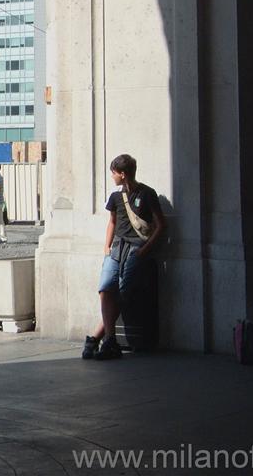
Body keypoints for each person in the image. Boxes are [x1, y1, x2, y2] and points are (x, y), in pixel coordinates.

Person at [82, 153, 165, 361]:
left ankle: (99, 339)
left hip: (136, 248)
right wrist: (106, 246)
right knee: (105, 288)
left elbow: (161, 225)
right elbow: (111, 222)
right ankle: (108, 339)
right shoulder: (115, 197)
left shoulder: (147, 194)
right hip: (117, 248)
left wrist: (145, 250)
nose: (112, 176)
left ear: (122, 174)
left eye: (113, 173)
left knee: (122, 291)